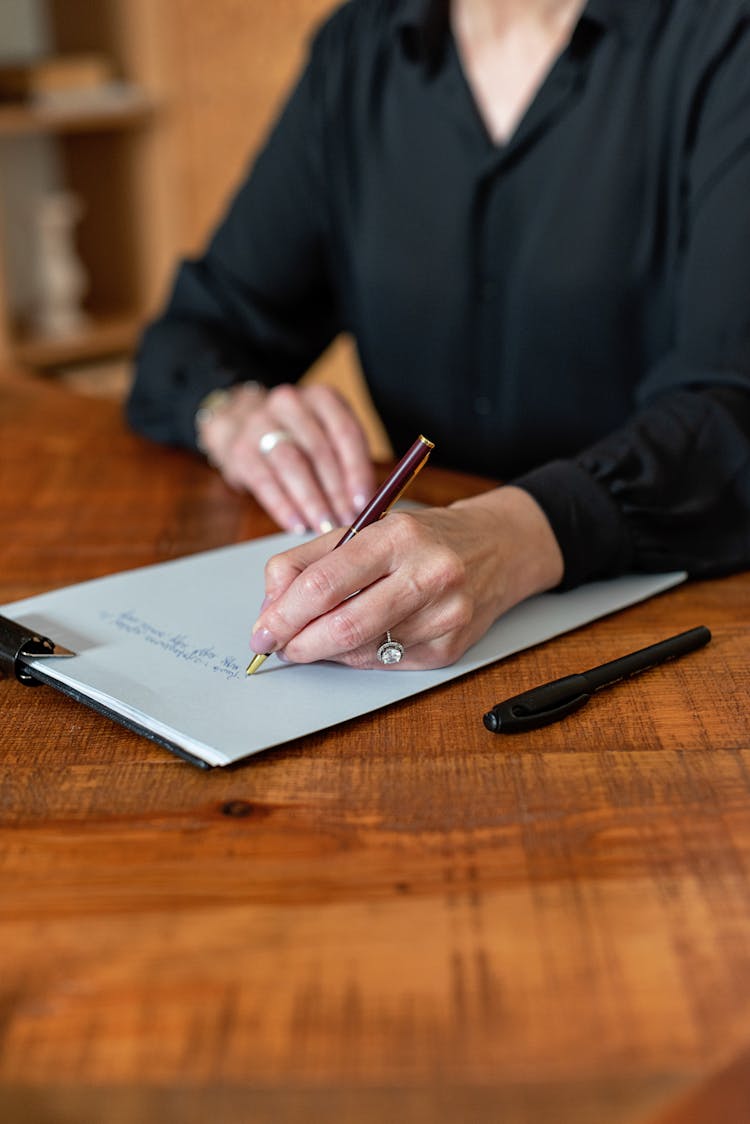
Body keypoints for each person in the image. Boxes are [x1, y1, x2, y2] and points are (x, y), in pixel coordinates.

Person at [127, 0, 750, 671]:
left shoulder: (725, 37)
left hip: (679, 625)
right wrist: (232, 411)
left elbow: (733, 409)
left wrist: (511, 537)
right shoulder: (357, 51)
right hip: (408, 623)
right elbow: (194, 331)